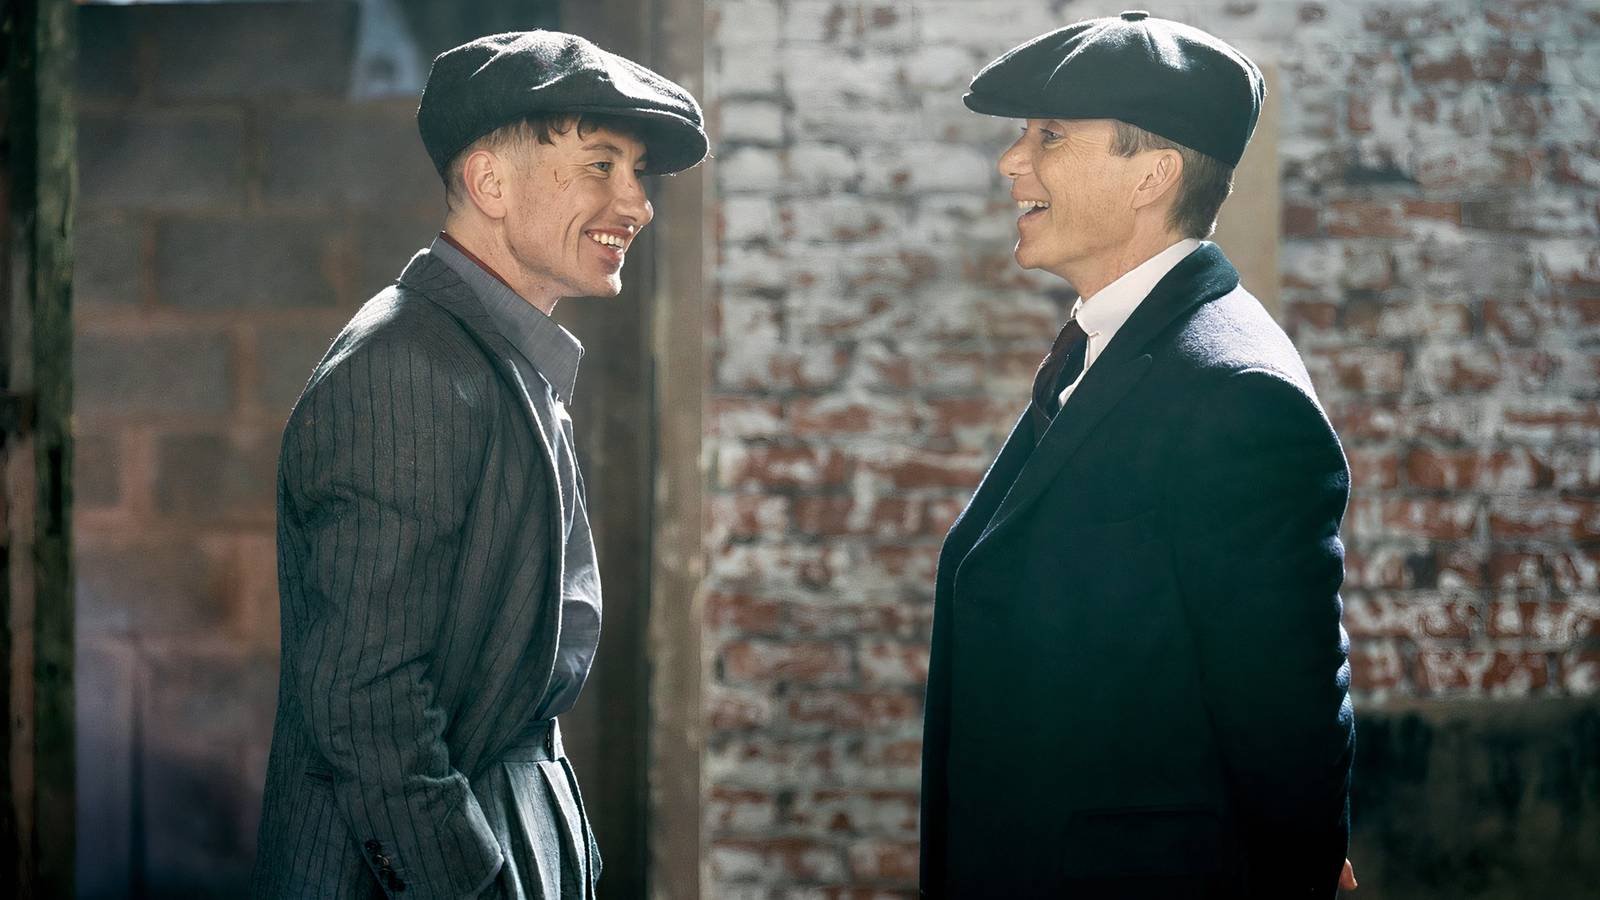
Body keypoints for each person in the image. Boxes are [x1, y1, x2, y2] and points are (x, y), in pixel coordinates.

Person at [251, 31, 705, 899]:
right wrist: (474, 886)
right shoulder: (407, 369)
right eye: (601, 165)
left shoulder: (495, 356)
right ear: (490, 183)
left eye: (638, 172)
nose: (637, 203)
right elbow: (366, 701)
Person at [918, 11, 1357, 898]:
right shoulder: (1110, 345)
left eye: (1050, 136)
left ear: (1151, 175)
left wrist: (1304, 868)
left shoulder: (1235, 390)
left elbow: (1287, 710)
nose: (1012, 162)